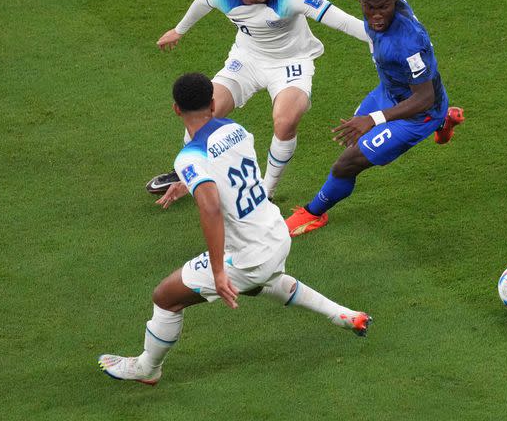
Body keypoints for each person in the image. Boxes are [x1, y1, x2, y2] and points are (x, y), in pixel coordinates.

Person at [99, 73, 371, 385]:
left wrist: (218, 271)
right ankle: (343, 314)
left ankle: (147, 368)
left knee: (166, 297)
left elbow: (212, 207)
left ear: (176, 109)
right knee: (260, 282)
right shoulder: (235, 129)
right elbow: (229, 172)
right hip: (276, 231)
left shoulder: (189, 156)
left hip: (249, 252)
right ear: (213, 104)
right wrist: (188, 184)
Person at [257, 0, 465, 236]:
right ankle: (443, 122)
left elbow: (424, 98)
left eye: (384, 7)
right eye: (369, 7)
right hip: (392, 92)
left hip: (419, 112)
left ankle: (313, 213)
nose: (376, 15)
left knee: (348, 162)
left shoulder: (409, 41)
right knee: (354, 140)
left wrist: (375, 119)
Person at [147, 0, 369, 202]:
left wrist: (384, 37)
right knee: (204, 110)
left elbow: (342, 21)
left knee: (285, 121)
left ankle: (266, 191)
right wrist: (179, 30)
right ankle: (186, 170)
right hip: (247, 59)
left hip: (291, 64)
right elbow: (203, 1)